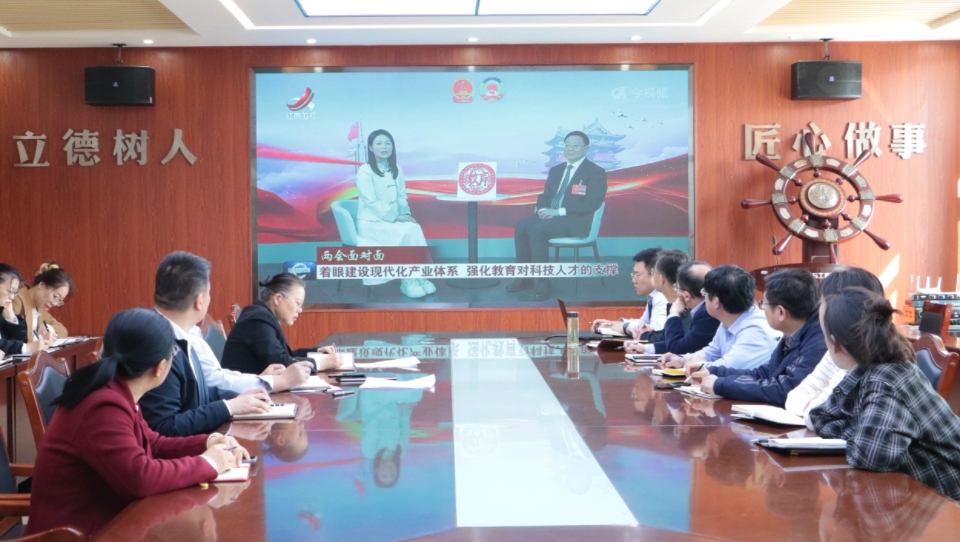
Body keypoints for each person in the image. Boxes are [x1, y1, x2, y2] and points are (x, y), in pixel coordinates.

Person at [24, 308, 249, 536]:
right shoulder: (102, 406)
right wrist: (208, 464)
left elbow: (153, 444)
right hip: (71, 536)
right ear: (160, 367)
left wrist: (209, 442)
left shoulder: (116, 391)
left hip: (108, 525)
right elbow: (141, 479)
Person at [809, 287, 960, 500]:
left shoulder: (885, 378)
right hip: (914, 492)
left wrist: (860, 436)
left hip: (947, 502)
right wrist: (860, 435)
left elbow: (870, 456)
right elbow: (820, 416)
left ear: (835, 344)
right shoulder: (866, 368)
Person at [141, 252, 276, 437]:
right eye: (209, 293)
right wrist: (228, 407)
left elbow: (196, 393)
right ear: (199, 301)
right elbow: (165, 427)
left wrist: (237, 399)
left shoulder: (182, 333)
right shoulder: (155, 343)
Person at [152, 252, 311, 396]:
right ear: (199, 301)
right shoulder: (163, 344)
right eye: (209, 293)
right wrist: (278, 382)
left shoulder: (189, 333)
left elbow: (218, 378)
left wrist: (260, 379)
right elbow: (216, 383)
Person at [688, 268, 826, 404]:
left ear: (781, 313)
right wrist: (713, 371)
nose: (761, 309)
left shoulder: (819, 341)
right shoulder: (795, 331)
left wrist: (720, 385)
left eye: (763, 303)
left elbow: (785, 390)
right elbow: (766, 373)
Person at [507, 130, 608, 300]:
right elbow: (545, 196)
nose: (570, 149)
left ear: (586, 148)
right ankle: (524, 277)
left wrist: (558, 212)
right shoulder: (556, 170)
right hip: (551, 219)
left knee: (536, 228)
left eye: (575, 145)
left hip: (576, 221)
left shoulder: (595, 171)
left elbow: (593, 202)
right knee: (522, 225)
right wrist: (542, 210)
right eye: (567, 145)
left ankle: (542, 282)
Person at [784, 267, 884, 422]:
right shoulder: (836, 345)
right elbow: (793, 398)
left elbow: (815, 416)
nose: (819, 311)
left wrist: (817, 398)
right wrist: (818, 398)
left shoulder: (859, 355)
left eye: (822, 303)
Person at [355, 129, 435, 299]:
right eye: (379, 143)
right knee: (404, 231)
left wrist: (405, 214)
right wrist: (396, 217)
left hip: (393, 218)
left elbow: (402, 197)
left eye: (387, 143)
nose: (384, 147)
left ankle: (419, 274)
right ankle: (407, 280)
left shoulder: (397, 169)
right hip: (371, 222)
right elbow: (370, 201)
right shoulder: (365, 171)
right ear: (371, 148)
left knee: (413, 227)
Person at [661, 264, 778, 372]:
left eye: (705, 293)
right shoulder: (728, 320)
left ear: (716, 302)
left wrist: (690, 364)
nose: (704, 298)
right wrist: (682, 359)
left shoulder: (756, 331)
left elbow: (727, 367)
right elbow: (711, 353)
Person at [222, 273, 338, 375]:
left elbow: (287, 355)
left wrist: (316, 352)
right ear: (278, 299)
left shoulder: (263, 315)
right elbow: (278, 363)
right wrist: (320, 363)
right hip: (246, 391)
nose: (299, 310)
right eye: (297, 303)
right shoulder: (258, 319)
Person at [627, 260, 720, 356]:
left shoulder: (706, 314)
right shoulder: (700, 310)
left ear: (687, 296)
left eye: (677, 288)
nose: (676, 292)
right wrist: (645, 348)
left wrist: (674, 313)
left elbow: (676, 348)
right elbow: (684, 342)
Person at [591, 247, 667, 339]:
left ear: (655, 274)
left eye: (637, 275)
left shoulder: (662, 296)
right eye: (633, 275)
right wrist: (613, 324)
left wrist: (624, 326)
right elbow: (643, 323)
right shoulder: (653, 296)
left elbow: (655, 331)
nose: (633, 280)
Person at [0, 264, 51, 355]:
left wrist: (11, 318)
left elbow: (20, 341)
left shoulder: (3, 311)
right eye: (10, 291)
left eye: (14, 292)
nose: (12, 297)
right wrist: (25, 348)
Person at [13, 261, 70, 340]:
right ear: (41, 285)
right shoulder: (16, 300)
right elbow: (12, 337)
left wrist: (49, 329)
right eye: (55, 296)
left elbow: (63, 331)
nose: (54, 303)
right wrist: (39, 339)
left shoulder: (40, 308)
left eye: (59, 301)